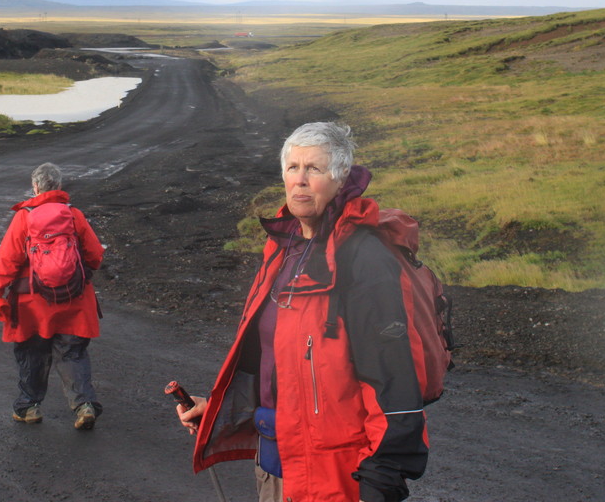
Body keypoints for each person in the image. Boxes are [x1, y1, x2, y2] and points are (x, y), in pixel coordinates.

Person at [177, 122, 428, 502]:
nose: (300, 180)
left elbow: (392, 384)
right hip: (277, 468)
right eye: (293, 168)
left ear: (341, 178)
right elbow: (276, 359)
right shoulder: (283, 249)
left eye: (314, 169)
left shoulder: (364, 260)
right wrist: (215, 407)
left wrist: (381, 481)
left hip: (339, 478)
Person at [0, 162, 105, 430]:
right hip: (74, 301)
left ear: (35, 187)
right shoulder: (74, 215)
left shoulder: (24, 218)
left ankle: (29, 408)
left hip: (32, 306)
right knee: (72, 353)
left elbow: (6, 264)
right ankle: (84, 406)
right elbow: (95, 255)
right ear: (59, 187)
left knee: (32, 354)